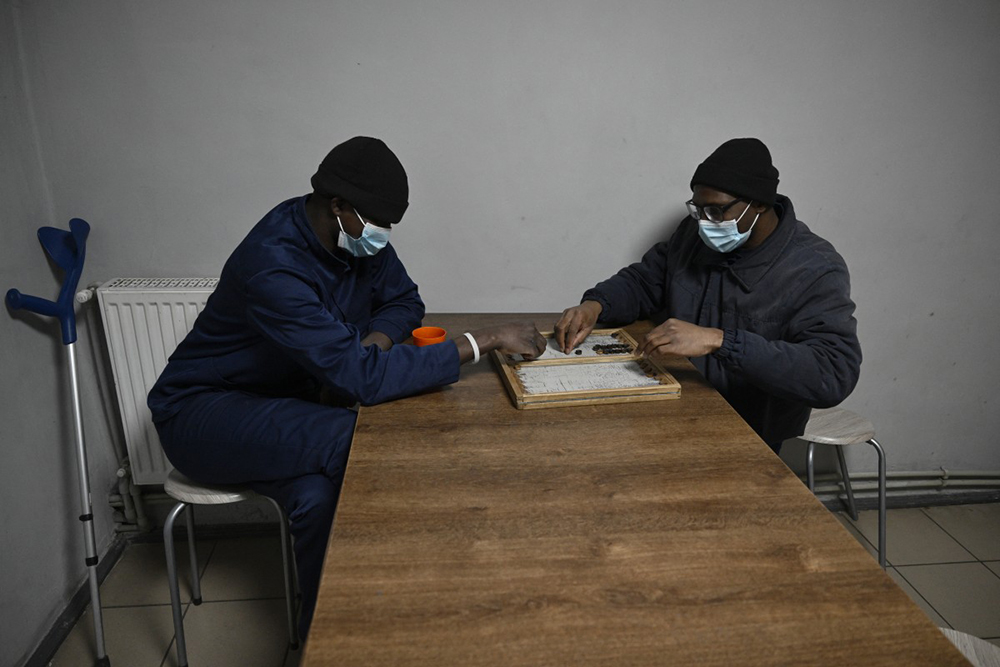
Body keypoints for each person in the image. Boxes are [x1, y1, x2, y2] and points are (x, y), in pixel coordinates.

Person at [147, 136, 546, 638]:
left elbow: (404, 302)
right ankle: (400, 601)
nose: (383, 236)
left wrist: (372, 346)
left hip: (287, 406)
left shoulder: (352, 238)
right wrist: (482, 340)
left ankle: (323, 635)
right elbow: (364, 381)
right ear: (338, 205)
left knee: (318, 497)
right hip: (205, 415)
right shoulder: (272, 265)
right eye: (377, 224)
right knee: (358, 442)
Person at [554, 138, 862, 452]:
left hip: (750, 434)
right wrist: (596, 305)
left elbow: (833, 373)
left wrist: (720, 341)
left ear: (758, 204)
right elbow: (645, 281)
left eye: (715, 211)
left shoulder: (815, 268)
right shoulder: (695, 235)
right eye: (698, 210)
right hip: (672, 405)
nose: (704, 223)